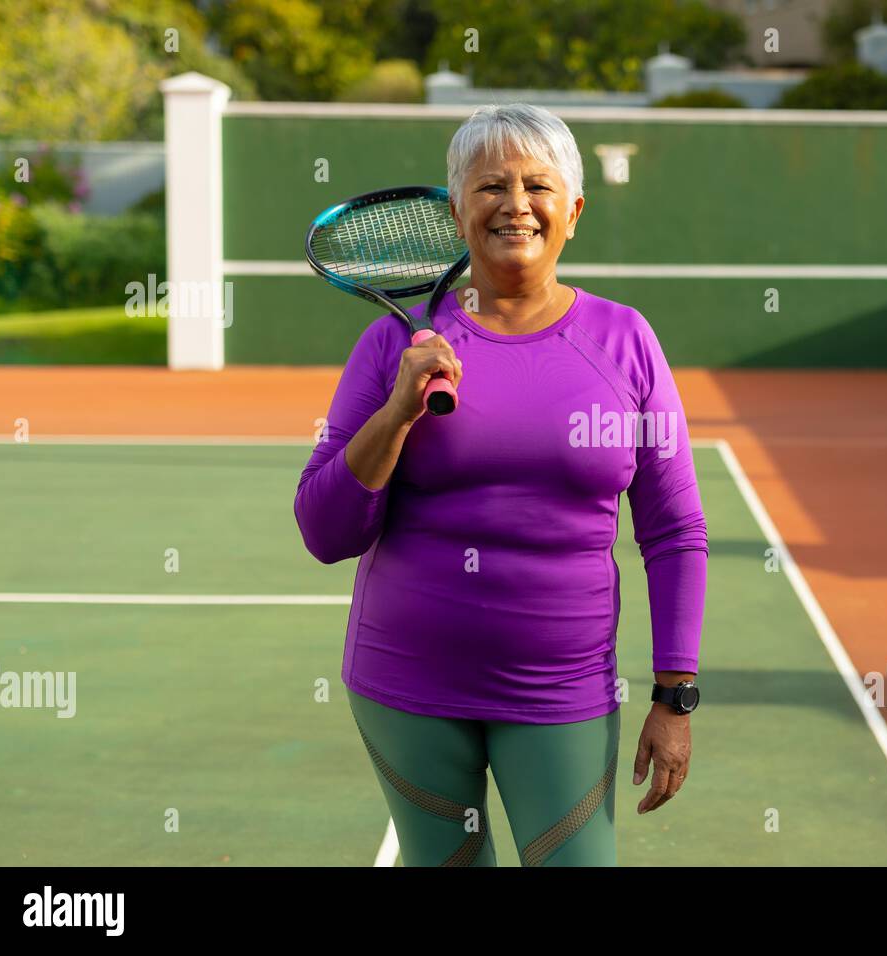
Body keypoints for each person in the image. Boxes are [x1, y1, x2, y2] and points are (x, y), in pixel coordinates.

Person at [293, 103, 708, 866]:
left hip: (563, 690)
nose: (516, 204)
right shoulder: (392, 343)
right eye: (490, 186)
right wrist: (396, 413)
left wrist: (674, 695)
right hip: (406, 684)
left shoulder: (627, 341)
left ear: (572, 212)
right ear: (457, 212)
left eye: (538, 186)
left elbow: (675, 529)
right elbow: (324, 532)